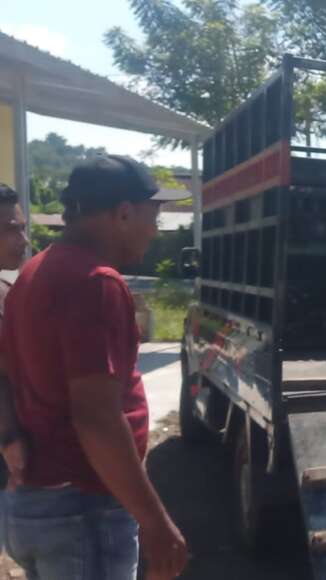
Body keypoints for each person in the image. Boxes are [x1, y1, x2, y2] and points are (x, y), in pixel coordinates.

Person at [0, 156, 188, 579]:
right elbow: (97, 418)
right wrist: (156, 523)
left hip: (39, 505)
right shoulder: (95, 283)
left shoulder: (34, 273)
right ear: (123, 213)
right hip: (82, 509)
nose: (154, 230)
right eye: (153, 217)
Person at [0, 183, 29, 559]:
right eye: (11, 229)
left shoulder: (7, 290)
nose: (23, 239)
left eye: (21, 228)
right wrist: (9, 440)